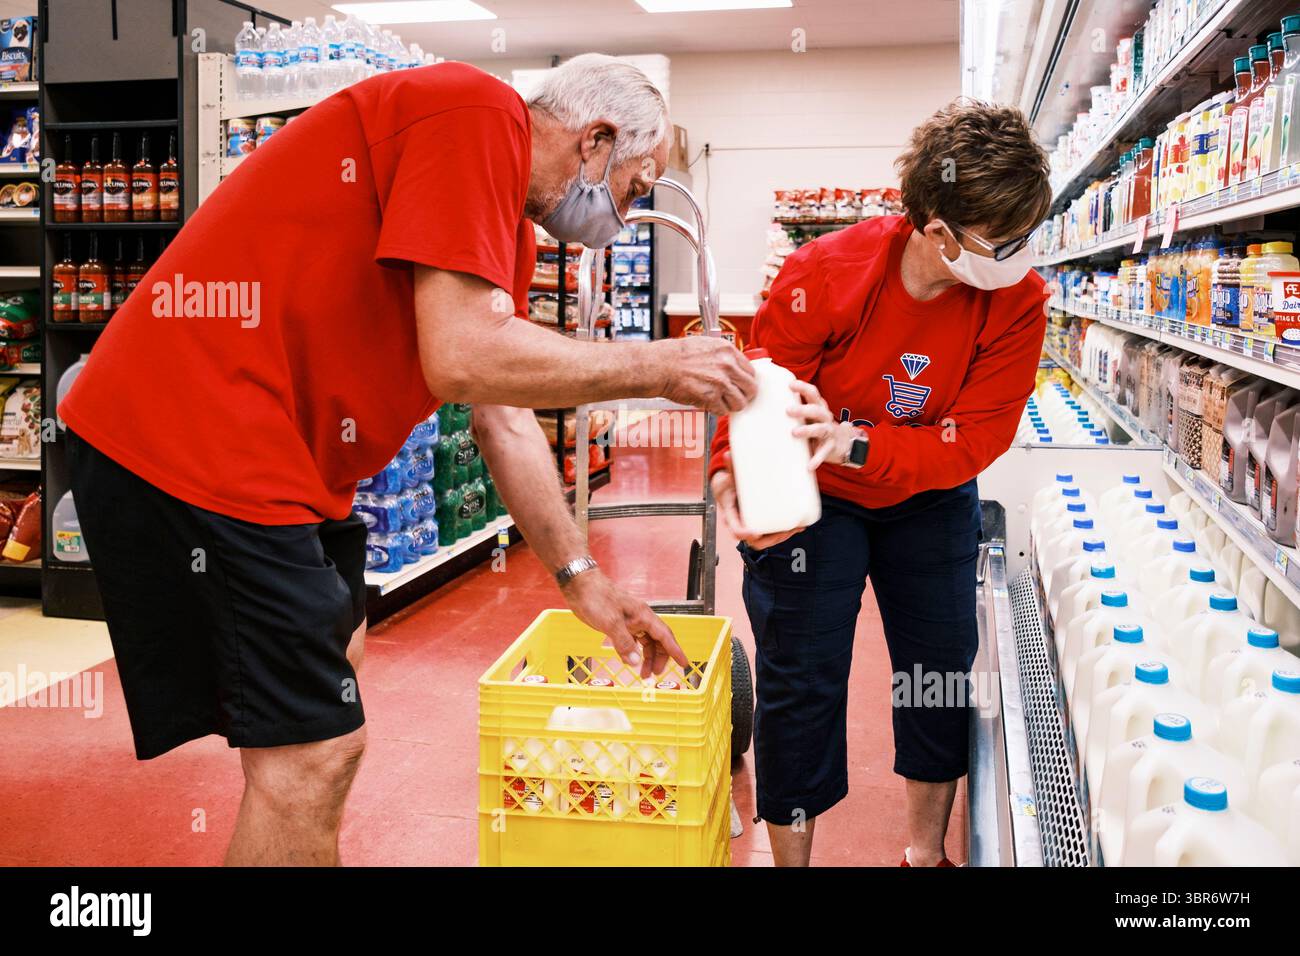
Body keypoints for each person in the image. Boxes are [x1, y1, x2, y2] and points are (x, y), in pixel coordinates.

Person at [59, 54, 756, 866]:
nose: (620, 217)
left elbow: (504, 419)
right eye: (633, 190)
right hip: (200, 438)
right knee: (316, 751)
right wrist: (661, 367)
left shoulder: (506, 237)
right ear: (595, 142)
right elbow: (463, 355)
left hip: (286, 468)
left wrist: (582, 579)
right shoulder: (475, 112)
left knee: (334, 681)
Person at [709, 100, 1052, 867]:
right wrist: (730, 473)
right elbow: (755, 391)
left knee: (936, 673)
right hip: (816, 503)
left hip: (927, 498)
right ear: (937, 231)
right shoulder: (824, 273)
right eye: (1004, 241)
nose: (1021, 256)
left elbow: (978, 437)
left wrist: (856, 444)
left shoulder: (1017, 301)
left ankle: (923, 854)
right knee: (801, 680)